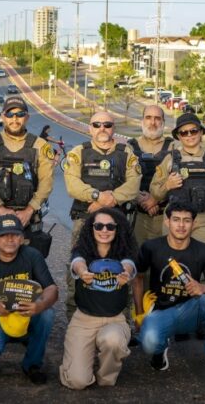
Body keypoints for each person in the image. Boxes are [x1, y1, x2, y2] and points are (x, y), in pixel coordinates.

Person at [133, 201, 205, 372]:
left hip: (191, 309)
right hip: (161, 311)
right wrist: (138, 313)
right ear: (167, 222)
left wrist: (204, 288)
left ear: (194, 224)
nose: (181, 225)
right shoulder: (151, 247)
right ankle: (159, 350)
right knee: (150, 342)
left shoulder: (204, 250)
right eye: (176, 219)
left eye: (187, 220)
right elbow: (137, 277)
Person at [64, 110, 141, 315]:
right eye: (96, 125)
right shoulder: (79, 151)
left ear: (113, 127)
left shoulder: (127, 152)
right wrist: (98, 196)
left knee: (123, 266)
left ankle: (123, 318)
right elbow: (72, 185)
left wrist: (110, 199)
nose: (102, 129)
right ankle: (74, 313)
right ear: (90, 128)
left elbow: (134, 185)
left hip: (119, 222)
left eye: (107, 124)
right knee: (78, 265)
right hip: (85, 219)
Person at [0, 215, 58, 384]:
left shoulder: (33, 256)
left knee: (47, 314)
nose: (10, 239)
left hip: (26, 312)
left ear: (23, 239)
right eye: (4, 235)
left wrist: (40, 305)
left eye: (15, 234)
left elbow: (52, 289)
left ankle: (32, 364)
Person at [60, 209, 137, 390]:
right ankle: (83, 359)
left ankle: (106, 375)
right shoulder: (83, 249)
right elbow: (77, 262)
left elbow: (129, 265)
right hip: (84, 319)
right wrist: (82, 272)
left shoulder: (124, 250)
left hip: (115, 319)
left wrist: (125, 272)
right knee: (77, 381)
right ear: (91, 228)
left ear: (117, 229)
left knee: (113, 340)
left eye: (110, 226)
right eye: (99, 225)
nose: (104, 230)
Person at [0, 97, 55, 247]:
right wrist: (1, 208)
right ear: (3, 117)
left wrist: (30, 209)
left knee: (30, 264)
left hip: (29, 216)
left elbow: (47, 181)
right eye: (10, 115)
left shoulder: (40, 145)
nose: (15, 119)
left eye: (20, 114)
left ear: (27, 117)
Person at [149, 113, 205, 250]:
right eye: (184, 132)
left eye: (193, 131)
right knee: (173, 263)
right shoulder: (169, 160)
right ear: (179, 136)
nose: (189, 135)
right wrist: (167, 186)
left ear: (201, 132)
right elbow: (155, 192)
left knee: (202, 262)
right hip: (175, 220)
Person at [128, 104, 174, 245]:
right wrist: (141, 199)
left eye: (157, 118)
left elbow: (179, 180)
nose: (152, 122)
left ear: (163, 122)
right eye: (148, 118)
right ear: (142, 120)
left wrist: (155, 199)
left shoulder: (174, 147)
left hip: (165, 215)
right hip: (138, 213)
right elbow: (123, 179)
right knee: (139, 259)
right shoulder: (129, 147)